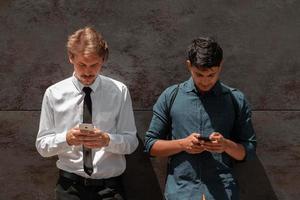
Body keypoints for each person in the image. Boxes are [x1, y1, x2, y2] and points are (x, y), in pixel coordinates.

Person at [144, 37, 256, 200]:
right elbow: (150, 145)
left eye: (211, 74)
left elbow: (249, 151)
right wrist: (182, 144)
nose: (205, 81)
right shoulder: (171, 96)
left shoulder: (235, 99)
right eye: (199, 74)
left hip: (223, 193)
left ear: (221, 66)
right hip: (181, 192)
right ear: (189, 65)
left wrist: (225, 145)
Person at [36, 27, 138, 200]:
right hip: (70, 189)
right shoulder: (54, 93)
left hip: (111, 190)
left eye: (94, 65)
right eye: (82, 65)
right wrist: (66, 138)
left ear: (103, 60)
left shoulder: (119, 91)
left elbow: (131, 142)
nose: (88, 72)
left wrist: (107, 140)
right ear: (71, 58)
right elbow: (42, 146)